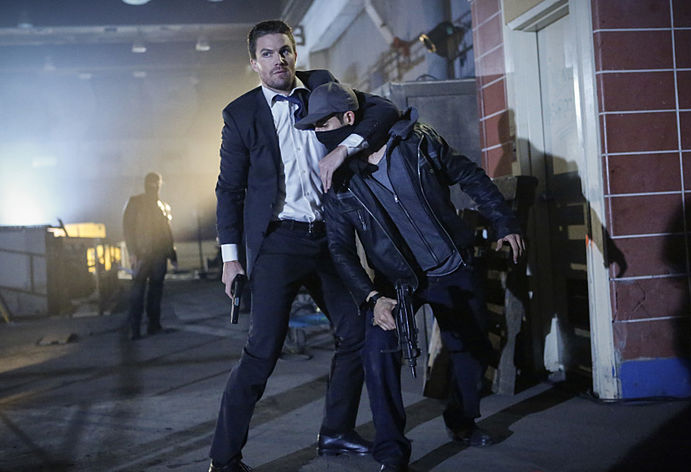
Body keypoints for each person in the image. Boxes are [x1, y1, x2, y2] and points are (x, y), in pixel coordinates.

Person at [295, 82, 525, 472]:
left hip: (453, 265)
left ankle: (462, 421)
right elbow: (340, 249)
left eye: (323, 124)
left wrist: (504, 221)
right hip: (397, 283)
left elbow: (469, 175)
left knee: (472, 351)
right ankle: (392, 453)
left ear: (348, 119)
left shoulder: (416, 142)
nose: (319, 134)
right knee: (378, 354)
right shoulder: (339, 182)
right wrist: (371, 298)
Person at [209, 20, 399, 472]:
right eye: (268, 53)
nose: (279, 60)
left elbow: (384, 109)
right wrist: (231, 260)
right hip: (277, 242)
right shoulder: (240, 114)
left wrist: (345, 148)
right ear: (254, 63)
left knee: (356, 332)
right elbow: (229, 190)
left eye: (285, 50)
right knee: (262, 352)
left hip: (330, 237)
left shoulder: (322, 85)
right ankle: (224, 458)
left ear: (295, 53)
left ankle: (336, 431)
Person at [122, 172, 177, 340]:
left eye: (156, 184)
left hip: (154, 255)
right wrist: (132, 252)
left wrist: (171, 254)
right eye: (154, 184)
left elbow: (166, 232)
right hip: (144, 254)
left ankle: (149, 326)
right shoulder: (139, 203)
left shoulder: (160, 205)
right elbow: (128, 229)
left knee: (151, 291)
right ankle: (138, 328)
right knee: (141, 291)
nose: (155, 187)